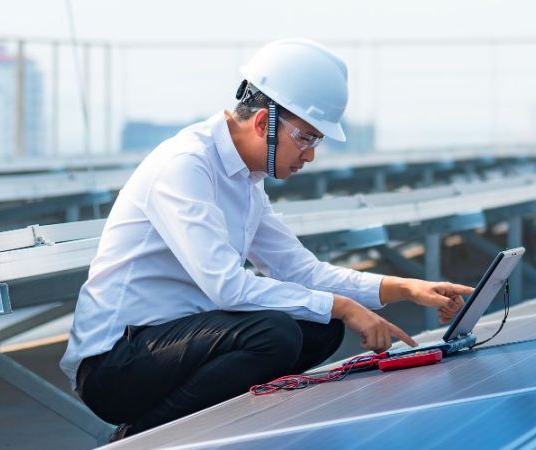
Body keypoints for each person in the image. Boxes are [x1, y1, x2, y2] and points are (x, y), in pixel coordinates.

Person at [60, 38, 473, 442]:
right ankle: (139, 437)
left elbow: (299, 270)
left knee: (321, 326)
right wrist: (345, 306)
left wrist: (403, 288)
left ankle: (227, 423)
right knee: (274, 333)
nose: (310, 156)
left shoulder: (247, 180)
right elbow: (227, 286)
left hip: (179, 346)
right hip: (116, 364)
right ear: (264, 123)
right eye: (307, 138)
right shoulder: (185, 165)